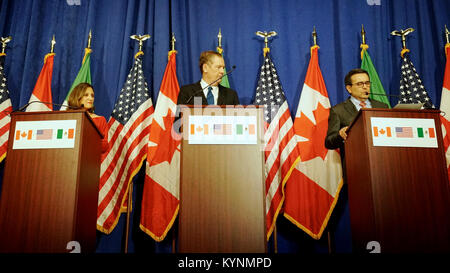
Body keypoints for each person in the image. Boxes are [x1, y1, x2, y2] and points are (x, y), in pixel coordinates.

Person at [67, 82, 108, 153]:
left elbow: (104, 146)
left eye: (92, 95)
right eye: (86, 95)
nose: (90, 98)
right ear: (78, 97)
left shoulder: (100, 120)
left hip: (90, 159)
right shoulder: (68, 116)